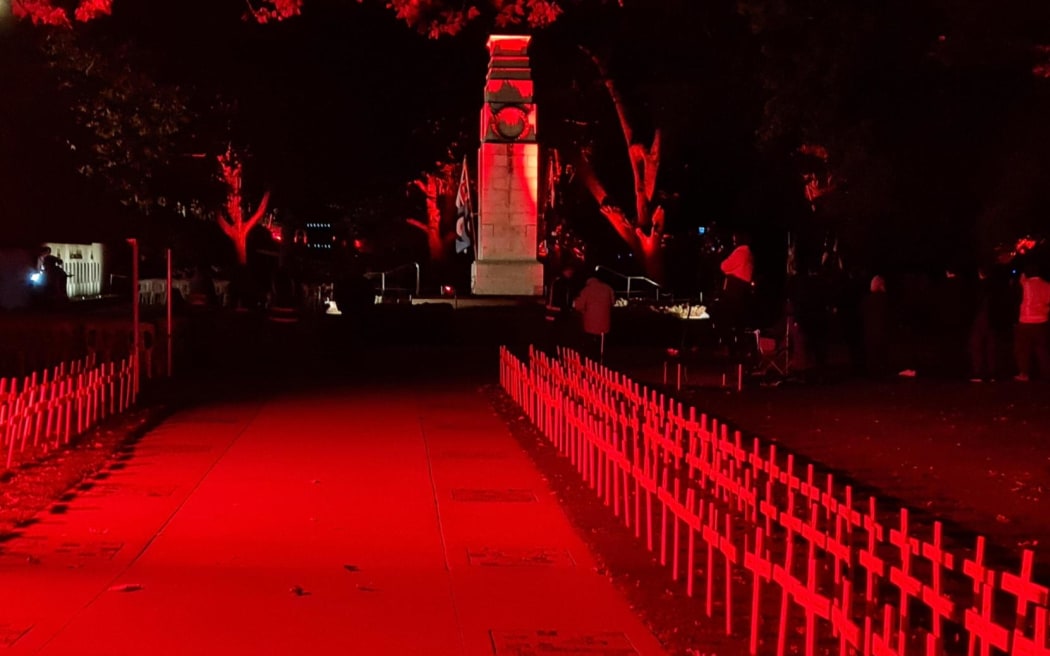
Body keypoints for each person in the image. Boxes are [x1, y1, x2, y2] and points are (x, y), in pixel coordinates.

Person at [1014, 262, 1050, 381]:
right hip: (1041, 320)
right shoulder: (1047, 285)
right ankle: (1046, 373)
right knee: (1042, 349)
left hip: (1025, 320)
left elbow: (1021, 277)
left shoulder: (1026, 284)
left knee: (1023, 349)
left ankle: (1024, 373)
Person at [574, 272, 615, 362]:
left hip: (589, 323)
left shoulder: (586, 290)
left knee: (589, 341)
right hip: (605, 323)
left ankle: (590, 359)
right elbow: (613, 302)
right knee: (601, 342)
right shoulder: (608, 288)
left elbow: (578, 305)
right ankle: (601, 357)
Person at [719, 232, 754, 331]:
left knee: (729, 316)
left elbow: (724, 266)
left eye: (735, 239)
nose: (733, 241)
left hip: (735, 290)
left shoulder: (741, 252)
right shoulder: (748, 253)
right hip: (741, 290)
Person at [545, 264, 580, 353]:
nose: (571, 274)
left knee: (556, 335)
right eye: (570, 272)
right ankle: (554, 352)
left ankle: (554, 352)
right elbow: (560, 299)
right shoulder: (560, 282)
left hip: (558, 312)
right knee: (556, 335)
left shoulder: (561, 282)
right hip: (557, 313)